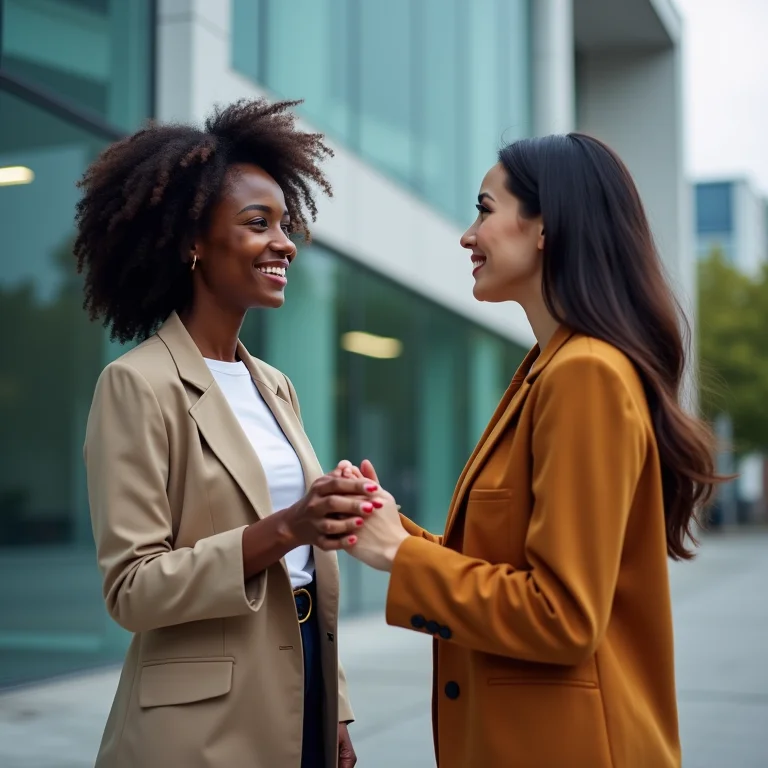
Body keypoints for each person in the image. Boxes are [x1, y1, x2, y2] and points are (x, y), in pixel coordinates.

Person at [337, 134, 721, 767]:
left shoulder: (585, 374)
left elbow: (562, 615)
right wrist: (388, 529)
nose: (468, 235)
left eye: (485, 210)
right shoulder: (553, 367)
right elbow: (514, 567)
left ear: (546, 228)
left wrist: (402, 557)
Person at [76, 99, 371, 768]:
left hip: (305, 691)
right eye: (257, 223)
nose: (285, 242)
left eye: (286, 224)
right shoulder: (137, 384)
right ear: (192, 242)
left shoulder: (275, 384)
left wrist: (336, 705)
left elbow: (306, 569)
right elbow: (132, 587)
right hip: (198, 730)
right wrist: (287, 527)